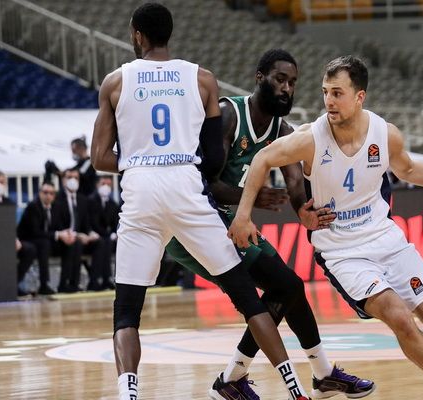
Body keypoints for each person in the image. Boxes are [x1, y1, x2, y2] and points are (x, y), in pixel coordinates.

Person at [91, 4, 311, 400]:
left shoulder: (115, 81)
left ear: (137, 34)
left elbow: (99, 158)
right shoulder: (202, 79)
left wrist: (139, 158)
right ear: (169, 35)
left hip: (141, 190)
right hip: (186, 188)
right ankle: (296, 390)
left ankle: (128, 394)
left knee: (127, 310)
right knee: (248, 299)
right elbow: (211, 161)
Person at [228, 56, 423, 400]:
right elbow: (262, 159)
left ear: (359, 97)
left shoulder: (384, 134)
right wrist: (243, 216)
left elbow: (407, 169)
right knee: (399, 317)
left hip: (386, 238)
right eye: (325, 92)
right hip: (342, 251)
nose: (329, 101)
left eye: (337, 93)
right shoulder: (310, 138)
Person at [164, 49, 375, 400]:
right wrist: (253, 197)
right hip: (193, 222)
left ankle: (316, 375)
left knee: (290, 287)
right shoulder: (230, 115)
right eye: (280, 79)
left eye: (292, 82)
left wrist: (305, 213)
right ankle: (240, 378)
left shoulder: (283, 130)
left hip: (228, 221)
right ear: (260, 78)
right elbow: (202, 183)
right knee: (284, 287)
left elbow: (295, 185)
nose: (286, 88)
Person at [51, 168, 107, 293]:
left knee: (100, 242)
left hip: (80, 238)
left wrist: (90, 233)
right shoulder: (57, 198)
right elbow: (57, 224)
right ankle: (68, 284)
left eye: (76, 178)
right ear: (63, 180)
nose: (73, 180)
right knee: (75, 242)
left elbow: (86, 224)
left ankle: (94, 282)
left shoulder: (82, 199)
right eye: (69, 177)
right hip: (62, 239)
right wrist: (77, 235)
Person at [16, 182, 58, 295]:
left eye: (51, 193)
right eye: (45, 192)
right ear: (39, 193)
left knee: (50, 243)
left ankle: (68, 283)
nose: (48, 195)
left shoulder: (55, 207)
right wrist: (57, 234)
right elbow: (35, 232)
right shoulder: (33, 206)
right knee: (43, 244)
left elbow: (57, 227)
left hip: (42, 240)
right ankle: (43, 284)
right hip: (26, 239)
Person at [87, 175, 119, 290]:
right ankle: (95, 280)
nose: (106, 187)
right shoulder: (91, 201)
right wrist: (107, 234)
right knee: (103, 243)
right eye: (103, 184)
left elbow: (116, 222)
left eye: (108, 184)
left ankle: (108, 279)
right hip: (94, 236)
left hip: (107, 237)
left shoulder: (113, 204)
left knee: (108, 243)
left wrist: (114, 233)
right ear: (97, 185)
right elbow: (93, 222)